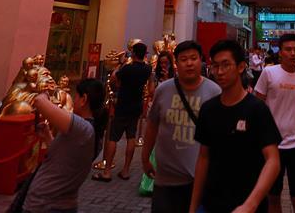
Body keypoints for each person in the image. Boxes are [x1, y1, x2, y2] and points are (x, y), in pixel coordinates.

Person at [191, 40, 282, 213]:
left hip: (247, 205)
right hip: (212, 203)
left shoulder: (257, 109)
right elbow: (203, 158)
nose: (219, 72)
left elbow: (273, 161)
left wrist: (251, 204)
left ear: (241, 67)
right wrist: (193, 206)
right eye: (215, 66)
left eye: (226, 65)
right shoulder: (208, 109)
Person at [142, 41, 221, 213]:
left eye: (194, 58)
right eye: (183, 59)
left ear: (201, 61)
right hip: (165, 178)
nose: (189, 63)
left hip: (199, 180)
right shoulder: (163, 90)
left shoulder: (214, 92)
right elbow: (152, 126)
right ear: (176, 63)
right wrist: (145, 157)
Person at [255, 33, 295, 213]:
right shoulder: (268, 73)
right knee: (273, 199)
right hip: (271, 146)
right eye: (288, 49)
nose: (292, 53)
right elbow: (257, 106)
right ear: (280, 52)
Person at [24, 79, 106, 213]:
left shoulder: (82, 128)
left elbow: (39, 101)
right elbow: (64, 158)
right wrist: (48, 136)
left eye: (76, 96)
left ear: (84, 99)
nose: (73, 100)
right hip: (55, 202)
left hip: (48, 204)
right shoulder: (86, 130)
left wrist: (44, 93)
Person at [95, 41, 152, 181]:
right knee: (131, 137)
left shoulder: (127, 68)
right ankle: (126, 170)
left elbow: (114, 77)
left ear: (133, 53)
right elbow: (151, 86)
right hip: (136, 105)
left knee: (113, 137)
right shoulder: (147, 69)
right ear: (144, 54)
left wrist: (120, 65)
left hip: (123, 104)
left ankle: (107, 171)